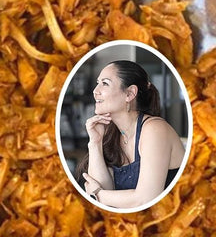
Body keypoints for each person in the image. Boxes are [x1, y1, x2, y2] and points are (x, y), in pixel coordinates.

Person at [76, 60, 185, 208]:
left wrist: (98, 195)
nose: (95, 91)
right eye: (97, 83)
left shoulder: (154, 129)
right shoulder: (114, 133)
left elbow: (146, 200)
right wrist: (95, 143)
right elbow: (103, 189)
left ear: (129, 93)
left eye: (105, 83)